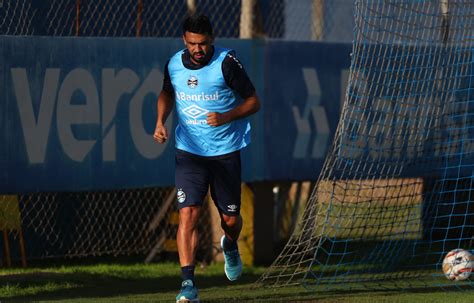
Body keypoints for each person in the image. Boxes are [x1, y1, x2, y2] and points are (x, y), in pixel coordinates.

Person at [153, 14, 260, 303]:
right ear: (183, 41)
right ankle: (188, 285)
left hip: (225, 153)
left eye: (201, 44)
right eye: (191, 44)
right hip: (188, 153)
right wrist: (160, 120)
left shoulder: (226, 63)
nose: (197, 49)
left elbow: (253, 101)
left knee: (230, 219)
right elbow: (166, 92)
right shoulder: (174, 64)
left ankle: (230, 244)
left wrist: (226, 116)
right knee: (188, 213)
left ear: (211, 39)